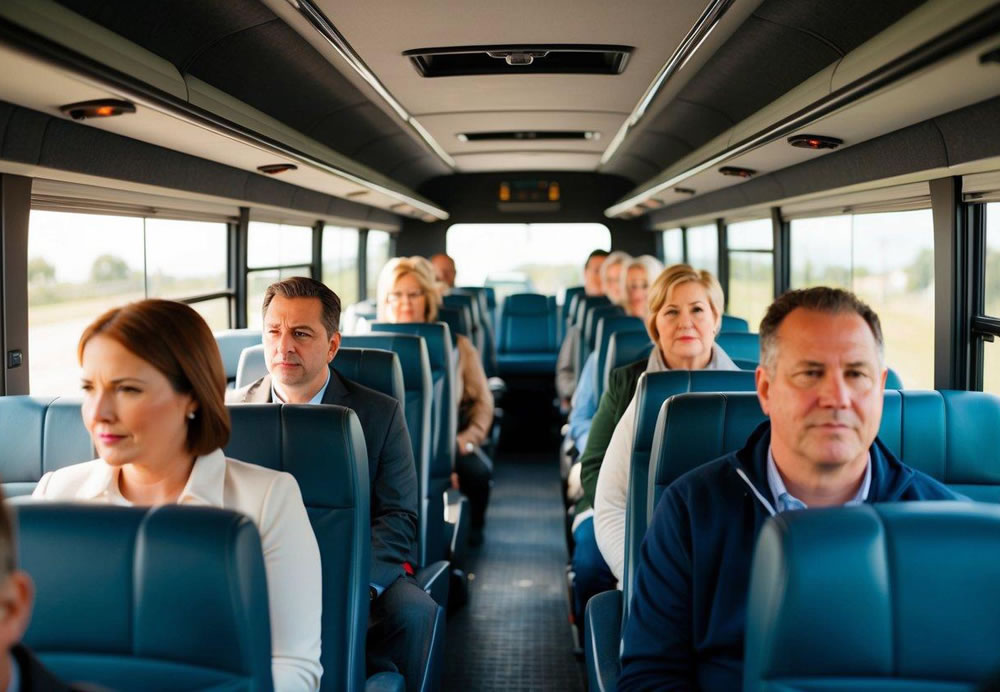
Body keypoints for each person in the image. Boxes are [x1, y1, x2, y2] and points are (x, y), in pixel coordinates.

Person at [618, 287, 960, 691]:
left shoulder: (945, 526)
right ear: (765, 390)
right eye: (810, 374)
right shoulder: (691, 511)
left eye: (856, 374)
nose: (837, 398)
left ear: (880, 387)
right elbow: (650, 677)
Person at [33, 299, 322, 691]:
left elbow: (294, 668)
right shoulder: (56, 494)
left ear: (192, 396)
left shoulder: (268, 499)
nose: (98, 412)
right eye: (89, 388)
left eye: (127, 389)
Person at [228, 277, 436, 692]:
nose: (283, 346)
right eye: (274, 331)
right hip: (258, 571)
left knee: (415, 613)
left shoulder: (380, 414)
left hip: (355, 571)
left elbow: (398, 516)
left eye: (301, 334)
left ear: (332, 345)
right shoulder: (229, 414)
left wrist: (354, 585)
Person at [569, 264, 736, 621]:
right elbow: (595, 466)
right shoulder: (627, 382)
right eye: (671, 311)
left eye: (697, 309)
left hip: (714, 529)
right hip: (627, 512)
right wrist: (636, 520)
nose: (685, 322)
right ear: (654, 323)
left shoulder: (746, 390)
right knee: (590, 564)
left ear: (716, 319)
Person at [377, 257, 494, 546]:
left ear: (427, 299)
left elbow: (483, 404)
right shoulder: (369, 349)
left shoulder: (457, 346)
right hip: (385, 450)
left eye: (413, 294)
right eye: (396, 295)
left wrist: (464, 441)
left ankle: (474, 533)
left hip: (448, 445)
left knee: (478, 472)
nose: (405, 302)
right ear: (386, 301)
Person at [567, 255, 664, 453]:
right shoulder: (605, 348)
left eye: (645, 285)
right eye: (631, 286)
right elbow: (580, 417)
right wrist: (596, 454)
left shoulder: (677, 352)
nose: (637, 293)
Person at [555, 249, 617, 407]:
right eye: (597, 271)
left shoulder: (626, 316)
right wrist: (577, 394)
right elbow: (564, 371)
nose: (601, 277)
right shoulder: (579, 324)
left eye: (606, 273)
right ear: (585, 273)